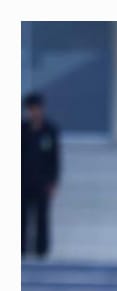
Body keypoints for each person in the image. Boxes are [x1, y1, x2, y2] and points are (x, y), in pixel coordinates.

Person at [22, 92, 60, 259]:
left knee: (42, 217)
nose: (34, 112)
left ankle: (41, 251)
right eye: (31, 109)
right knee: (21, 217)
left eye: (37, 108)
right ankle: (20, 250)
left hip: (42, 181)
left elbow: (55, 159)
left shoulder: (50, 131)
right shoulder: (22, 130)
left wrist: (53, 181)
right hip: (23, 180)